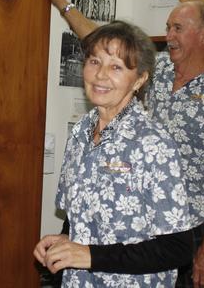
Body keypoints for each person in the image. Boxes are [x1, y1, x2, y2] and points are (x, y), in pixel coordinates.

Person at [43, 0, 204, 288]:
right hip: (121, 227)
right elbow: (102, 45)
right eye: (168, 27)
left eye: (178, 28)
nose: (168, 36)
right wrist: (62, 3)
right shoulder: (158, 70)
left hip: (187, 226)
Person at [34, 21, 194, 287]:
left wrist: (90, 255)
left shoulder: (153, 144)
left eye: (116, 67)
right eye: (95, 62)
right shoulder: (81, 133)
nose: (100, 75)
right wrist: (66, 241)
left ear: (140, 79)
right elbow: (79, 218)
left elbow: (178, 248)